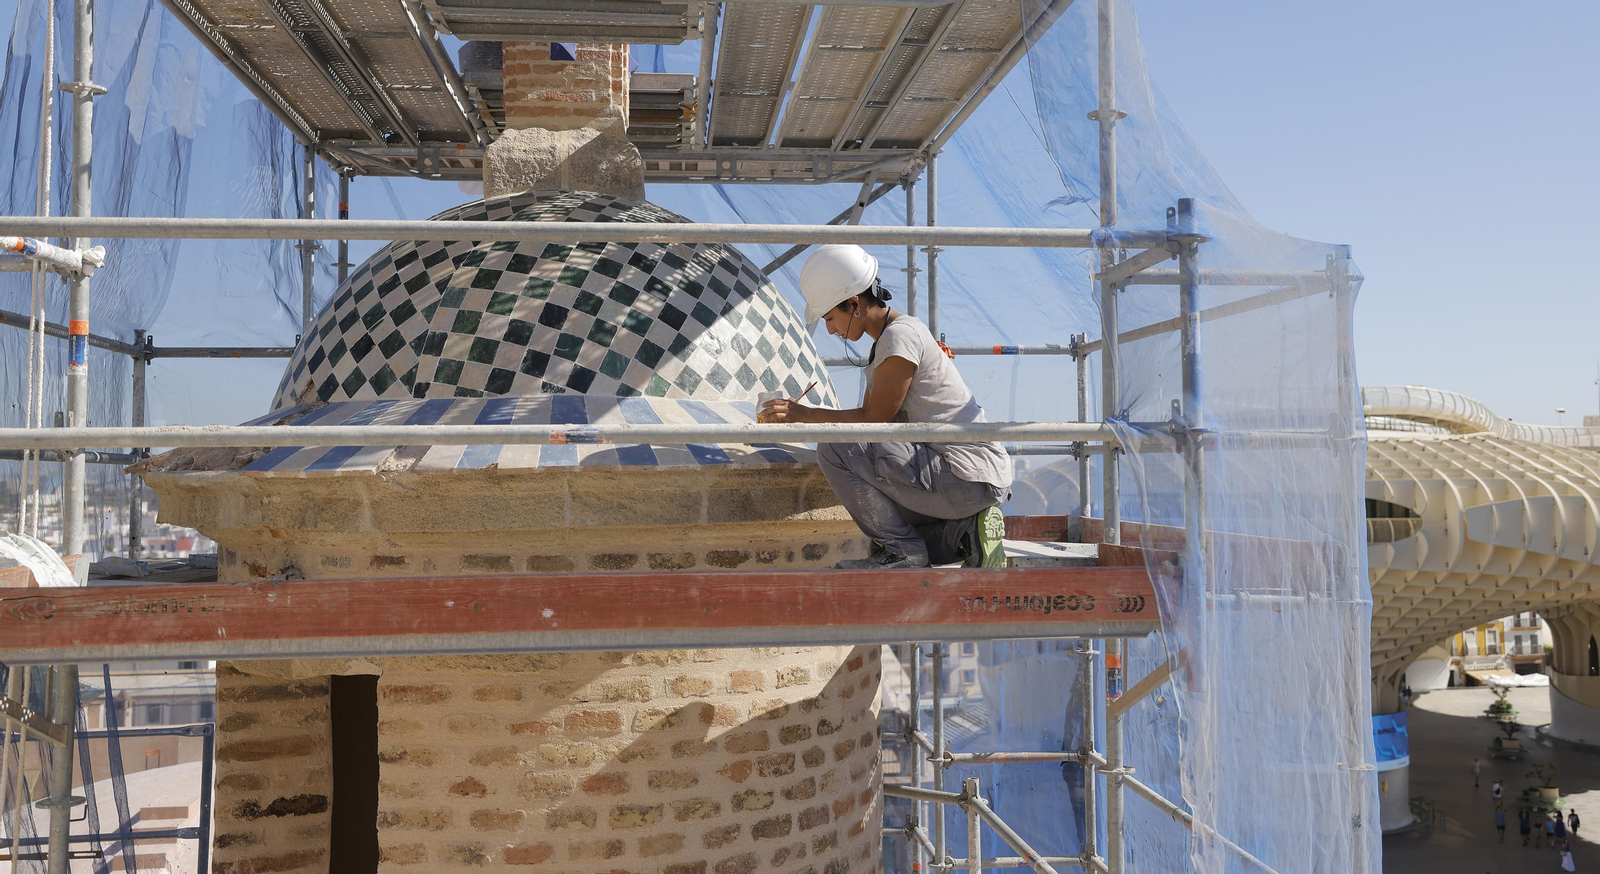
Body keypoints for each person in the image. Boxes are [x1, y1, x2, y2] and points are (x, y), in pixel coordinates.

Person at [763, 245, 1012, 569]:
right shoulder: (889, 342)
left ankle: (903, 554)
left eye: (830, 318)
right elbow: (868, 428)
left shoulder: (899, 337)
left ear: (854, 303)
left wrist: (804, 415)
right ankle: (966, 534)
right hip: (968, 480)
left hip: (965, 474)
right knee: (882, 513)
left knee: (834, 449)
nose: (831, 330)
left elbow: (874, 420)